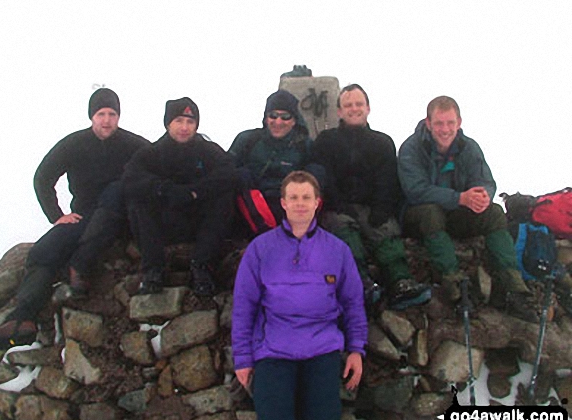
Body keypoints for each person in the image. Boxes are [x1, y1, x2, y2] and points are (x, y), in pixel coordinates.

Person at [0, 88, 150, 349]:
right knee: (44, 251)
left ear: (118, 116)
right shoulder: (74, 144)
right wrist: (57, 216)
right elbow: (43, 177)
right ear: (91, 116)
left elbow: (161, 165)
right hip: (83, 216)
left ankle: (79, 267)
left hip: (120, 219)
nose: (107, 120)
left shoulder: (133, 145)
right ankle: (22, 320)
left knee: (116, 191)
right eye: (101, 114)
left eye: (112, 114)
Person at [232, 171, 367, 420]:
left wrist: (356, 349)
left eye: (306, 197)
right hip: (273, 350)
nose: (300, 203)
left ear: (318, 202)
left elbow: (353, 303)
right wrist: (243, 358)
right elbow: (244, 307)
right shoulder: (261, 249)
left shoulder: (337, 250)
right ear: (283, 202)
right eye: (293, 197)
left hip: (322, 349)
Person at [398, 95, 537, 322]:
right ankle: (455, 286)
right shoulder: (411, 148)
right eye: (440, 123)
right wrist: (459, 198)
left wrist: (482, 195)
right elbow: (416, 191)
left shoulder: (469, 147)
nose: (445, 129)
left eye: (450, 123)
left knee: (493, 213)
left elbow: (485, 180)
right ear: (428, 123)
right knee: (430, 213)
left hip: (456, 214)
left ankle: (512, 287)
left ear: (459, 122)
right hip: (419, 216)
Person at [311, 84, 431, 311]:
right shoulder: (325, 141)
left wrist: (382, 208)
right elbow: (323, 175)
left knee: (385, 229)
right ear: (339, 111)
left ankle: (399, 282)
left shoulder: (382, 142)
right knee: (343, 230)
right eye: (348, 105)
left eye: (358, 104)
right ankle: (359, 282)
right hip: (338, 207)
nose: (354, 109)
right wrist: (337, 204)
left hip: (371, 205)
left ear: (368, 108)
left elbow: (388, 180)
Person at [123, 97, 238, 296]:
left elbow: (229, 173)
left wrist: (196, 191)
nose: (184, 127)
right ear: (168, 123)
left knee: (224, 198)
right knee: (138, 201)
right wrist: (164, 189)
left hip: (198, 221)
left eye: (190, 122)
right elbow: (130, 179)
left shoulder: (207, 150)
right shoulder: (151, 153)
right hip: (164, 222)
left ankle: (202, 266)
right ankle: (153, 270)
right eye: (179, 121)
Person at [228, 89, 315, 229]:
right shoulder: (248, 140)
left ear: (294, 121)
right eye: (273, 116)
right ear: (266, 118)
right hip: (253, 202)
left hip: (289, 202)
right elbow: (226, 168)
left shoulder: (305, 146)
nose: (278, 122)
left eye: (285, 116)